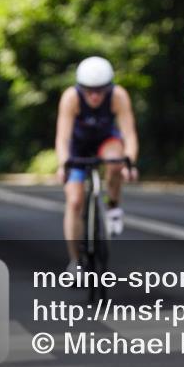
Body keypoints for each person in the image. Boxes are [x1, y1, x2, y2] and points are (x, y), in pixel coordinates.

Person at [55, 56, 139, 273]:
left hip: (106, 141)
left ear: (108, 87)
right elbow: (62, 138)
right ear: (80, 88)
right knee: (74, 201)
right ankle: (75, 261)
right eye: (88, 90)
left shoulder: (118, 96)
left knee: (116, 162)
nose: (94, 96)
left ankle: (113, 206)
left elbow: (129, 134)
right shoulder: (71, 98)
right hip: (78, 147)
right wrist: (63, 165)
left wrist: (129, 164)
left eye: (100, 90)